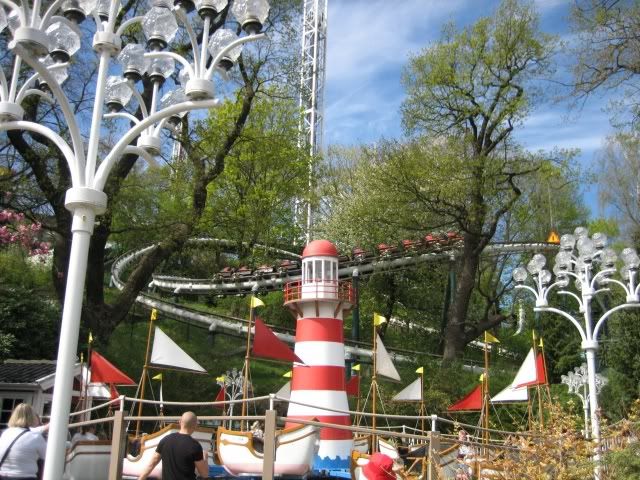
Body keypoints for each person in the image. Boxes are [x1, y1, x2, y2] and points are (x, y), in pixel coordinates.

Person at [138, 411, 208, 480]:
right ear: (195, 425)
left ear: (180, 422)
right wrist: (205, 458)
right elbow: (204, 474)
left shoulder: (165, 440)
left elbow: (151, 465)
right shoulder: (195, 446)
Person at [0, 403, 47, 480]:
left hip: (3, 475)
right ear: (32, 417)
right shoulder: (35, 437)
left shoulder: (6, 433)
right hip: (25, 476)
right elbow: (47, 457)